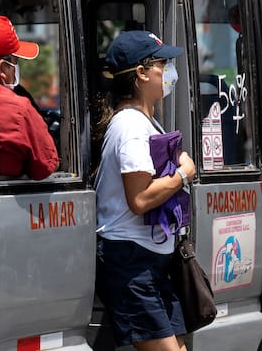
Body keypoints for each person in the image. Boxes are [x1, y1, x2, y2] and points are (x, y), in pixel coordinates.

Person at [93, 30, 197, 351]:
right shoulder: (131, 127)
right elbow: (139, 200)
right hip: (131, 262)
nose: (169, 73)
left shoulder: (146, 122)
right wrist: (182, 175)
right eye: (163, 64)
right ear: (141, 72)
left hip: (151, 262)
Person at [0, 15, 59, 180]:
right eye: (15, 61)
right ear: (3, 68)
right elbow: (46, 166)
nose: (16, 69)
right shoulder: (18, 108)